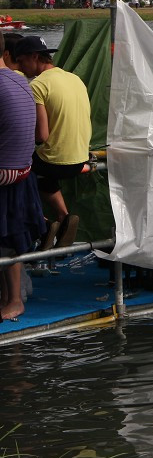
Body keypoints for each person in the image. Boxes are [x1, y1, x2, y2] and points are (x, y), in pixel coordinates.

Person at [15, 35, 91, 249]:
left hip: (54, 161)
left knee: (18, 169)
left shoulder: (37, 86)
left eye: (21, 61)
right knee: (42, 174)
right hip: (79, 159)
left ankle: (43, 223)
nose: (20, 68)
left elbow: (42, 136)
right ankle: (64, 216)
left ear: (34, 57)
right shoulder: (74, 78)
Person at [0, 32, 46, 320]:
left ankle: (13, 298)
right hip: (22, 175)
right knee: (8, 239)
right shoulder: (20, 80)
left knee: (6, 240)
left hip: (7, 177)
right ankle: (10, 297)